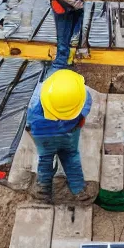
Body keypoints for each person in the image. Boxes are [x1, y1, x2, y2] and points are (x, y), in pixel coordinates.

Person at [26, 69, 92, 202]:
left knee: (45, 159)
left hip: (43, 135)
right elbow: (83, 116)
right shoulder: (81, 94)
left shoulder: (35, 99)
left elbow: (30, 124)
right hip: (69, 133)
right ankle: (79, 190)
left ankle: (44, 190)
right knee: (71, 158)